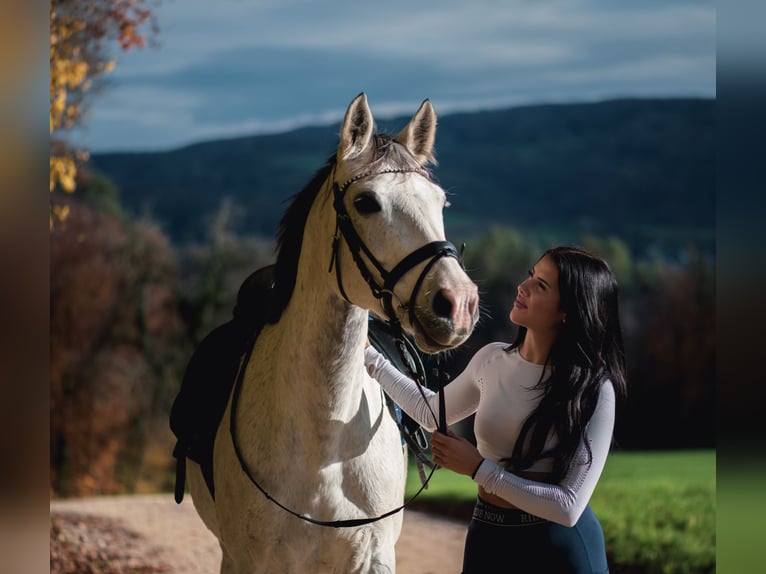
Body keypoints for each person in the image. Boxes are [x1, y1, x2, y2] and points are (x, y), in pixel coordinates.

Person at [364, 246, 627, 573]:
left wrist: (478, 468)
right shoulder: (492, 360)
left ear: (568, 312)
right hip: (488, 539)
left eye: (541, 286)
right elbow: (432, 412)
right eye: (531, 275)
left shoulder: (594, 388)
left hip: (559, 550)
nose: (523, 287)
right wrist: (371, 358)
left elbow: (568, 507)